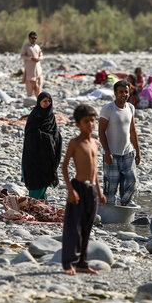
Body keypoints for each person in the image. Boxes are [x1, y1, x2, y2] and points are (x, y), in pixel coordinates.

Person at [61, 104, 106, 275]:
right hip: (78, 188)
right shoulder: (75, 143)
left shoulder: (95, 143)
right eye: (86, 121)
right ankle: (68, 263)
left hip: (92, 190)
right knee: (74, 226)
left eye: (92, 121)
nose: (90, 124)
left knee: (87, 226)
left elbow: (95, 171)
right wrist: (70, 190)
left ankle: (82, 263)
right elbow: (64, 167)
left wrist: (100, 192)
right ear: (78, 124)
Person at [99, 80, 141, 207]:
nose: (124, 94)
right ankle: (109, 212)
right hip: (112, 154)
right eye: (121, 92)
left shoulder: (131, 108)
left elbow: (132, 131)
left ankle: (124, 203)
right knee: (111, 187)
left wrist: (138, 152)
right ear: (115, 93)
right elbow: (101, 131)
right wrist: (107, 152)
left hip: (128, 152)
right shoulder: (108, 109)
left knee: (132, 180)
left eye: (126, 92)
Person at [22, 92, 62, 200]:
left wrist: (54, 139)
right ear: (39, 102)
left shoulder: (51, 116)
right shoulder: (34, 116)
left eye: (49, 101)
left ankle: (42, 208)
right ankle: (33, 207)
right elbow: (31, 134)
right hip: (34, 157)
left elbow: (55, 133)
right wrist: (48, 139)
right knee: (36, 183)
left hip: (48, 157)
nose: (47, 103)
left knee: (45, 182)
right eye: (44, 101)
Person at [20, 31, 44, 98]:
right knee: (29, 90)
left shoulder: (37, 47)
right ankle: (30, 102)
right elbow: (22, 55)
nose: (34, 39)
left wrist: (39, 58)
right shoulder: (26, 46)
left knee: (39, 88)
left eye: (35, 38)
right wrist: (31, 58)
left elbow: (41, 55)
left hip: (38, 71)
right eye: (33, 38)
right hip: (30, 71)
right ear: (29, 38)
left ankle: (38, 103)